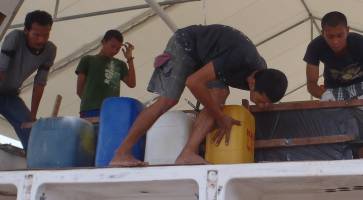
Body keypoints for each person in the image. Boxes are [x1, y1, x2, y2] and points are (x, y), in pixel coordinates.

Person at [110, 24, 288, 166]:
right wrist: (219, 117)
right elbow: (193, 82)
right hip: (186, 44)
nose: (263, 106)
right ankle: (121, 153)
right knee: (167, 100)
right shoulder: (241, 58)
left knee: (219, 93)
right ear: (252, 83)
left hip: (206, 58)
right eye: (263, 101)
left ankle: (188, 153)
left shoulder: (260, 72)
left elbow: (210, 81)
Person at [0, 10, 56, 151]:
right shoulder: (15, 37)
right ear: (26, 31)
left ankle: (33, 164)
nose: (41, 40)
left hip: (10, 95)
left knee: (30, 129)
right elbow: (1, 70)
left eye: (46, 35)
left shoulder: (50, 50)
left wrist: (32, 115)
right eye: (36, 35)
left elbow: (40, 83)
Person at [76, 30, 136, 119]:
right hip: (89, 111)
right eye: (112, 46)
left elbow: (132, 84)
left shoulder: (120, 64)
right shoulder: (88, 60)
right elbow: (79, 90)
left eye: (118, 49)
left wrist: (129, 59)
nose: (114, 51)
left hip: (111, 111)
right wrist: (89, 104)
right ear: (103, 42)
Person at [304, 11, 363, 101]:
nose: (335, 41)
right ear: (322, 33)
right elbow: (311, 84)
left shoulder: (359, 42)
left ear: (347, 31)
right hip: (333, 89)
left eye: (340, 35)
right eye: (330, 36)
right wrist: (324, 94)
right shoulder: (315, 47)